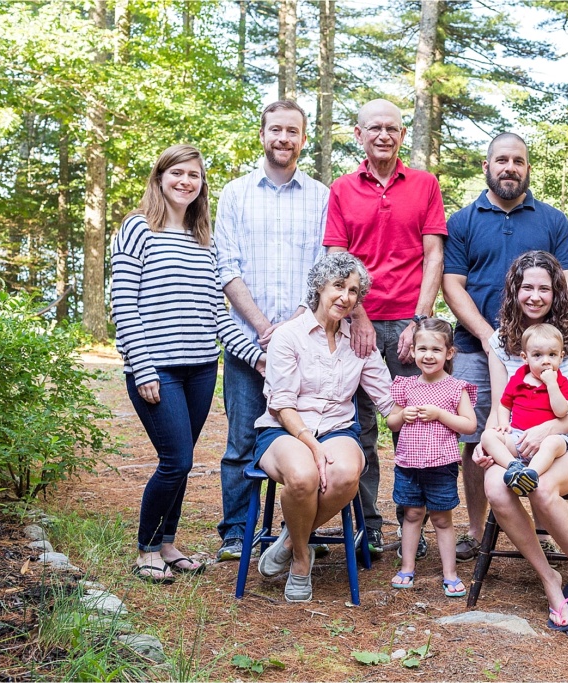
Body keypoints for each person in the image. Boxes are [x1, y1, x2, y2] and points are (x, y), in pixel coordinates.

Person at [111, 144, 266, 583]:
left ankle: (167, 543)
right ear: (160, 178)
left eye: (194, 176)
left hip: (201, 370)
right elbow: (124, 304)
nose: (185, 182)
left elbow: (218, 315)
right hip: (157, 369)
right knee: (175, 461)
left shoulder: (205, 241)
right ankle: (146, 550)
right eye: (177, 173)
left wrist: (255, 356)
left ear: (201, 185)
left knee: (182, 458)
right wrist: (141, 368)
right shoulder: (138, 229)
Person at [442, 132, 568, 561]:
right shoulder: (464, 221)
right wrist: (487, 336)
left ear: (528, 169)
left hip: (543, 352)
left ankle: (538, 523)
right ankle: (477, 527)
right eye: (501, 160)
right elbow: (452, 284)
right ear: (487, 166)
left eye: (518, 161)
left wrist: (550, 344)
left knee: (543, 431)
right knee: (480, 440)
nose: (510, 168)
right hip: (475, 347)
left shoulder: (552, 221)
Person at [324, 98, 447, 556]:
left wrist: (420, 320)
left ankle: (411, 527)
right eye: (374, 128)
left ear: (401, 134)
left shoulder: (424, 184)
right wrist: (358, 317)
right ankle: (368, 525)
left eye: (392, 128)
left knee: (415, 429)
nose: (384, 135)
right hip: (357, 323)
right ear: (358, 135)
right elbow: (337, 259)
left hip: (410, 324)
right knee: (361, 427)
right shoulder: (342, 188)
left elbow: (433, 254)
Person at [213, 100, 328, 562]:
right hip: (248, 345)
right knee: (242, 440)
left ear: (304, 138)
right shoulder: (235, 194)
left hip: (307, 344)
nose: (283, 138)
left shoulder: (321, 196)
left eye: (292, 131)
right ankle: (236, 535)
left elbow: (323, 268)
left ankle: (299, 532)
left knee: (309, 434)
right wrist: (263, 329)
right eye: (275, 129)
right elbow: (227, 267)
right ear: (262, 134)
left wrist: (297, 322)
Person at [254, 252, 402, 603]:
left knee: (347, 473)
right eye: (338, 286)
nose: (345, 297)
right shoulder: (289, 335)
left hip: (337, 429)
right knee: (303, 475)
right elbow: (281, 403)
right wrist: (313, 446)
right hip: (285, 430)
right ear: (319, 287)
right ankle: (303, 559)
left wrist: (434, 409)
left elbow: (388, 402)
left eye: (353, 291)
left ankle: (290, 542)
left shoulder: (359, 342)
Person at [472, 250, 568, 638]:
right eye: (526, 287)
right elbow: (501, 405)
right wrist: (493, 438)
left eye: (544, 288)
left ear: (556, 292)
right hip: (520, 443)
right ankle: (548, 577)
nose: (535, 296)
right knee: (495, 485)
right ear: (514, 291)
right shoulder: (500, 341)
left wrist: (547, 429)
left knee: (544, 489)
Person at [385, 318, 477, 596]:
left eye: (436, 350)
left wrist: (440, 415)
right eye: (422, 348)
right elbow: (391, 423)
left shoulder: (455, 387)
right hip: (409, 464)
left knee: (441, 518)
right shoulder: (406, 385)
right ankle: (407, 568)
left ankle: (449, 573)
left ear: (449, 353)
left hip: (441, 465)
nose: (428, 355)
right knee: (412, 514)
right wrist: (402, 415)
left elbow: (469, 425)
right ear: (412, 352)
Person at [481, 323, 568, 496]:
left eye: (552, 355)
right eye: (538, 355)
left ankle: (531, 474)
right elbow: (504, 404)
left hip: (550, 438)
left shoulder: (560, 382)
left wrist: (551, 384)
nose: (546, 360)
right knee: (488, 436)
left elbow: (562, 412)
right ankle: (513, 467)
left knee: (554, 443)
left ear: (561, 357)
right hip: (519, 437)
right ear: (525, 357)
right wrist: (503, 424)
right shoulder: (518, 379)